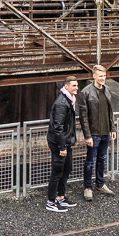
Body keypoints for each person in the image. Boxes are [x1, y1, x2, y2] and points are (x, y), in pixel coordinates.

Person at [78, 63, 117, 200]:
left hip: (105, 132)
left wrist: (112, 128)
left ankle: (100, 184)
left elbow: (110, 111)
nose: (103, 78)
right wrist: (87, 136)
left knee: (102, 159)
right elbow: (83, 117)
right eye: (100, 76)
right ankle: (88, 187)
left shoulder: (107, 89)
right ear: (94, 76)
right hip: (94, 134)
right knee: (90, 161)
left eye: (104, 76)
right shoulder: (86, 92)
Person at [45, 78, 80, 212]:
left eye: (77, 85)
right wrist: (62, 147)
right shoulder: (62, 103)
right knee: (57, 171)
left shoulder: (69, 100)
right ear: (66, 86)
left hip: (65, 140)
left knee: (67, 168)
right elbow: (58, 127)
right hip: (59, 142)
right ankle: (50, 201)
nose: (76, 88)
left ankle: (60, 197)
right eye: (73, 85)